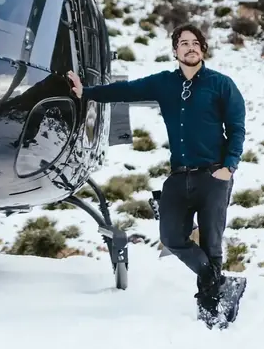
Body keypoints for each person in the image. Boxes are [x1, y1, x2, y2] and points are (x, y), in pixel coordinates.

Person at [66, 23, 246, 327]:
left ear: (203, 48)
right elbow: (126, 90)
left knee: (212, 243)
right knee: (172, 238)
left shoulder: (221, 84)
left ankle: (211, 310)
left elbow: (237, 128)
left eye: (195, 43)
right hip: (178, 176)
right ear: (175, 50)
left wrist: (229, 167)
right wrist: (87, 93)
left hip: (214, 175)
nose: (190, 47)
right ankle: (221, 284)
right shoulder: (164, 83)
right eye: (183, 43)